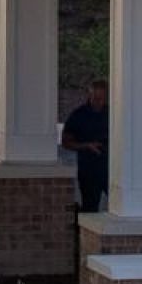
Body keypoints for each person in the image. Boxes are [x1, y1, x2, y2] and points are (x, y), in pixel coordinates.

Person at [61, 75, 110, 215]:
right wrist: (86, 146)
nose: (98, 102)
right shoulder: (78, 115)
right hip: (88, 171)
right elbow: (66, 142)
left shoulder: (112, 114)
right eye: (95, 98)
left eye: (102, 98)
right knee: (90, 210)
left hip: (111, 170)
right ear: (90, 94)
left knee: (122, 206)